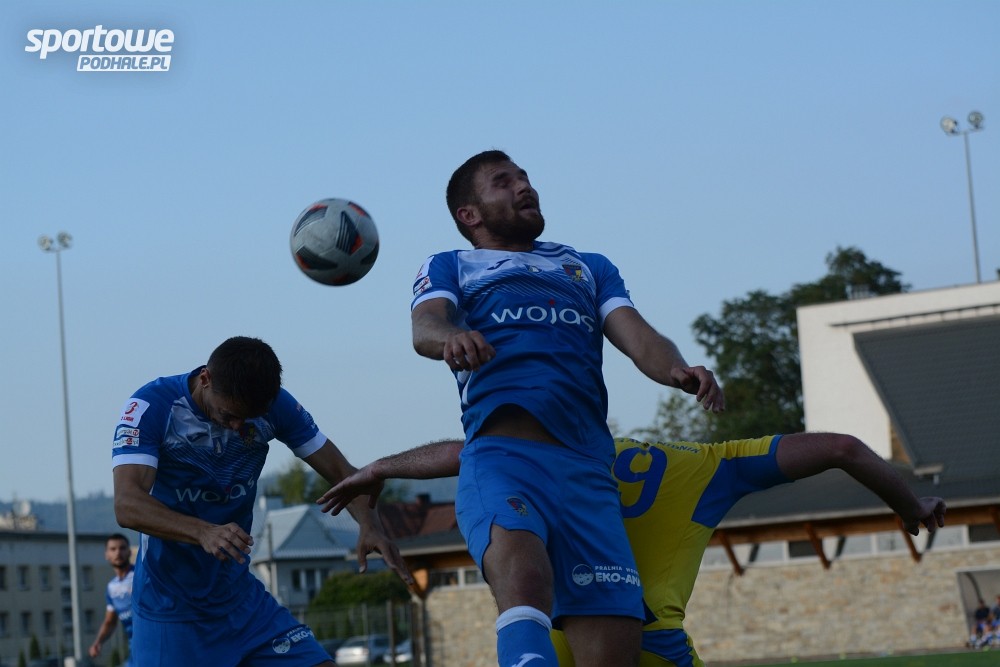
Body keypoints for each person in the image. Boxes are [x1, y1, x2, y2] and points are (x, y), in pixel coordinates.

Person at [404, 150, 723, 667]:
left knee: (613, 652)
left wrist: (677, 369)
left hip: (588, 473)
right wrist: (451, 337)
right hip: (505, 459)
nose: (523, 186)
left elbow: (639, 337)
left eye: (524, 177)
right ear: (470, 214)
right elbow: (425, 326)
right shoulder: (451, 264)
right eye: (503, 181)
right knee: (525, 576)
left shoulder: (588, 267)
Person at [318, 431, 946, 667]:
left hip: (551, 635)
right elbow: (842, 448)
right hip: (648, 641)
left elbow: (464, 450)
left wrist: (379, 467)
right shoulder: (710, 464)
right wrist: (911, 504)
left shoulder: (564, 454)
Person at [112, 336, 412, 667]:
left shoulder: (276, 405)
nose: (238, 427)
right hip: (169, 608)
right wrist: (202, 531)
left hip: (240, 600)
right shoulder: (152, 406)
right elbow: (127, 504)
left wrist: (370, 524)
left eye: (249, 418)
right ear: (205, 378)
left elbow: (342, 472)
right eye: (229, 415)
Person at [89, 533, 135, 666]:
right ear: (106, 555)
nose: (118, 553)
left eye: (122, 548)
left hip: (153, 642)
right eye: (113, 549)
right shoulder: (111, 587)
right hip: (134, 648)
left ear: (129, 552)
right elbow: (110, 622)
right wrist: (98, 642)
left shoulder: (140, 575)